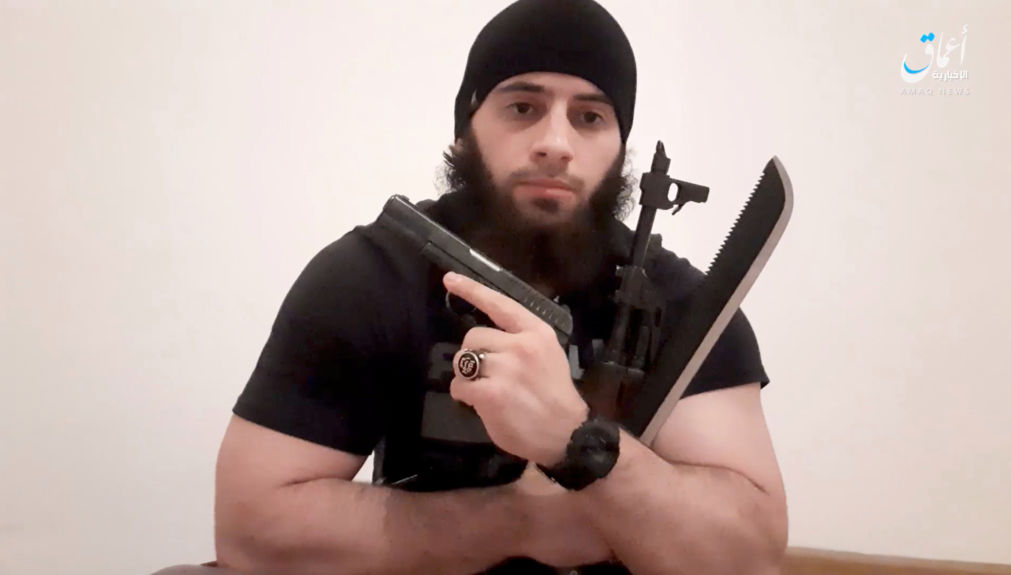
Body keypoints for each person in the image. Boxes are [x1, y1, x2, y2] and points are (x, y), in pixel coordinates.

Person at [214, 0, 788, 573]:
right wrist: (521, 521)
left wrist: (577, 442)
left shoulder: (681, 306)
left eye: (590, 117)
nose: (556, 143)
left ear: (620, 148)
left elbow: (750, 561)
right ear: (465, 132)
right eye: (522, 107)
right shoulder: (370, 277)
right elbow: (252, 533)